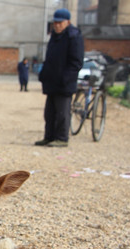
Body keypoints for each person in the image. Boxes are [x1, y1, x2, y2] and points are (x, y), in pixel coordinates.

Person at [36, 8, 84, 147]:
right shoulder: (55, 37)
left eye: (60, 22)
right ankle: (49, 137)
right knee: (49, 113)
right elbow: (50, 58)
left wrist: (65, 78)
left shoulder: (73, 37)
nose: (57, 25)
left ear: (67, 22)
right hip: (51, 82)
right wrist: (44, 74)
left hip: (64, 83)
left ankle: (62, 138)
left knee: (62, 112)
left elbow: (76, 62)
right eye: (55, 22)